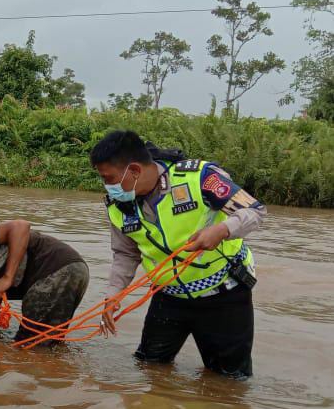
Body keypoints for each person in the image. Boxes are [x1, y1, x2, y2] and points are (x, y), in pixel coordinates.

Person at [90, 130, 265, 378]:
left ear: (135, 171)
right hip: (168, 296)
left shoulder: (200, 178)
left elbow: (255, 212)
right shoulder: (119, 206)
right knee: (150, 368)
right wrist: (113, 295)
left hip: (224, 295)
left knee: (228, 383)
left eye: (109, 179)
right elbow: (125, 255)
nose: (108, 187)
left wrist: (221, 230)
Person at [0, 220, 90, 344]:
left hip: (55, 268)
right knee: (48, 344)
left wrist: (7, 277)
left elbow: (21, 226)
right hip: (73, 270)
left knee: (27, 345)